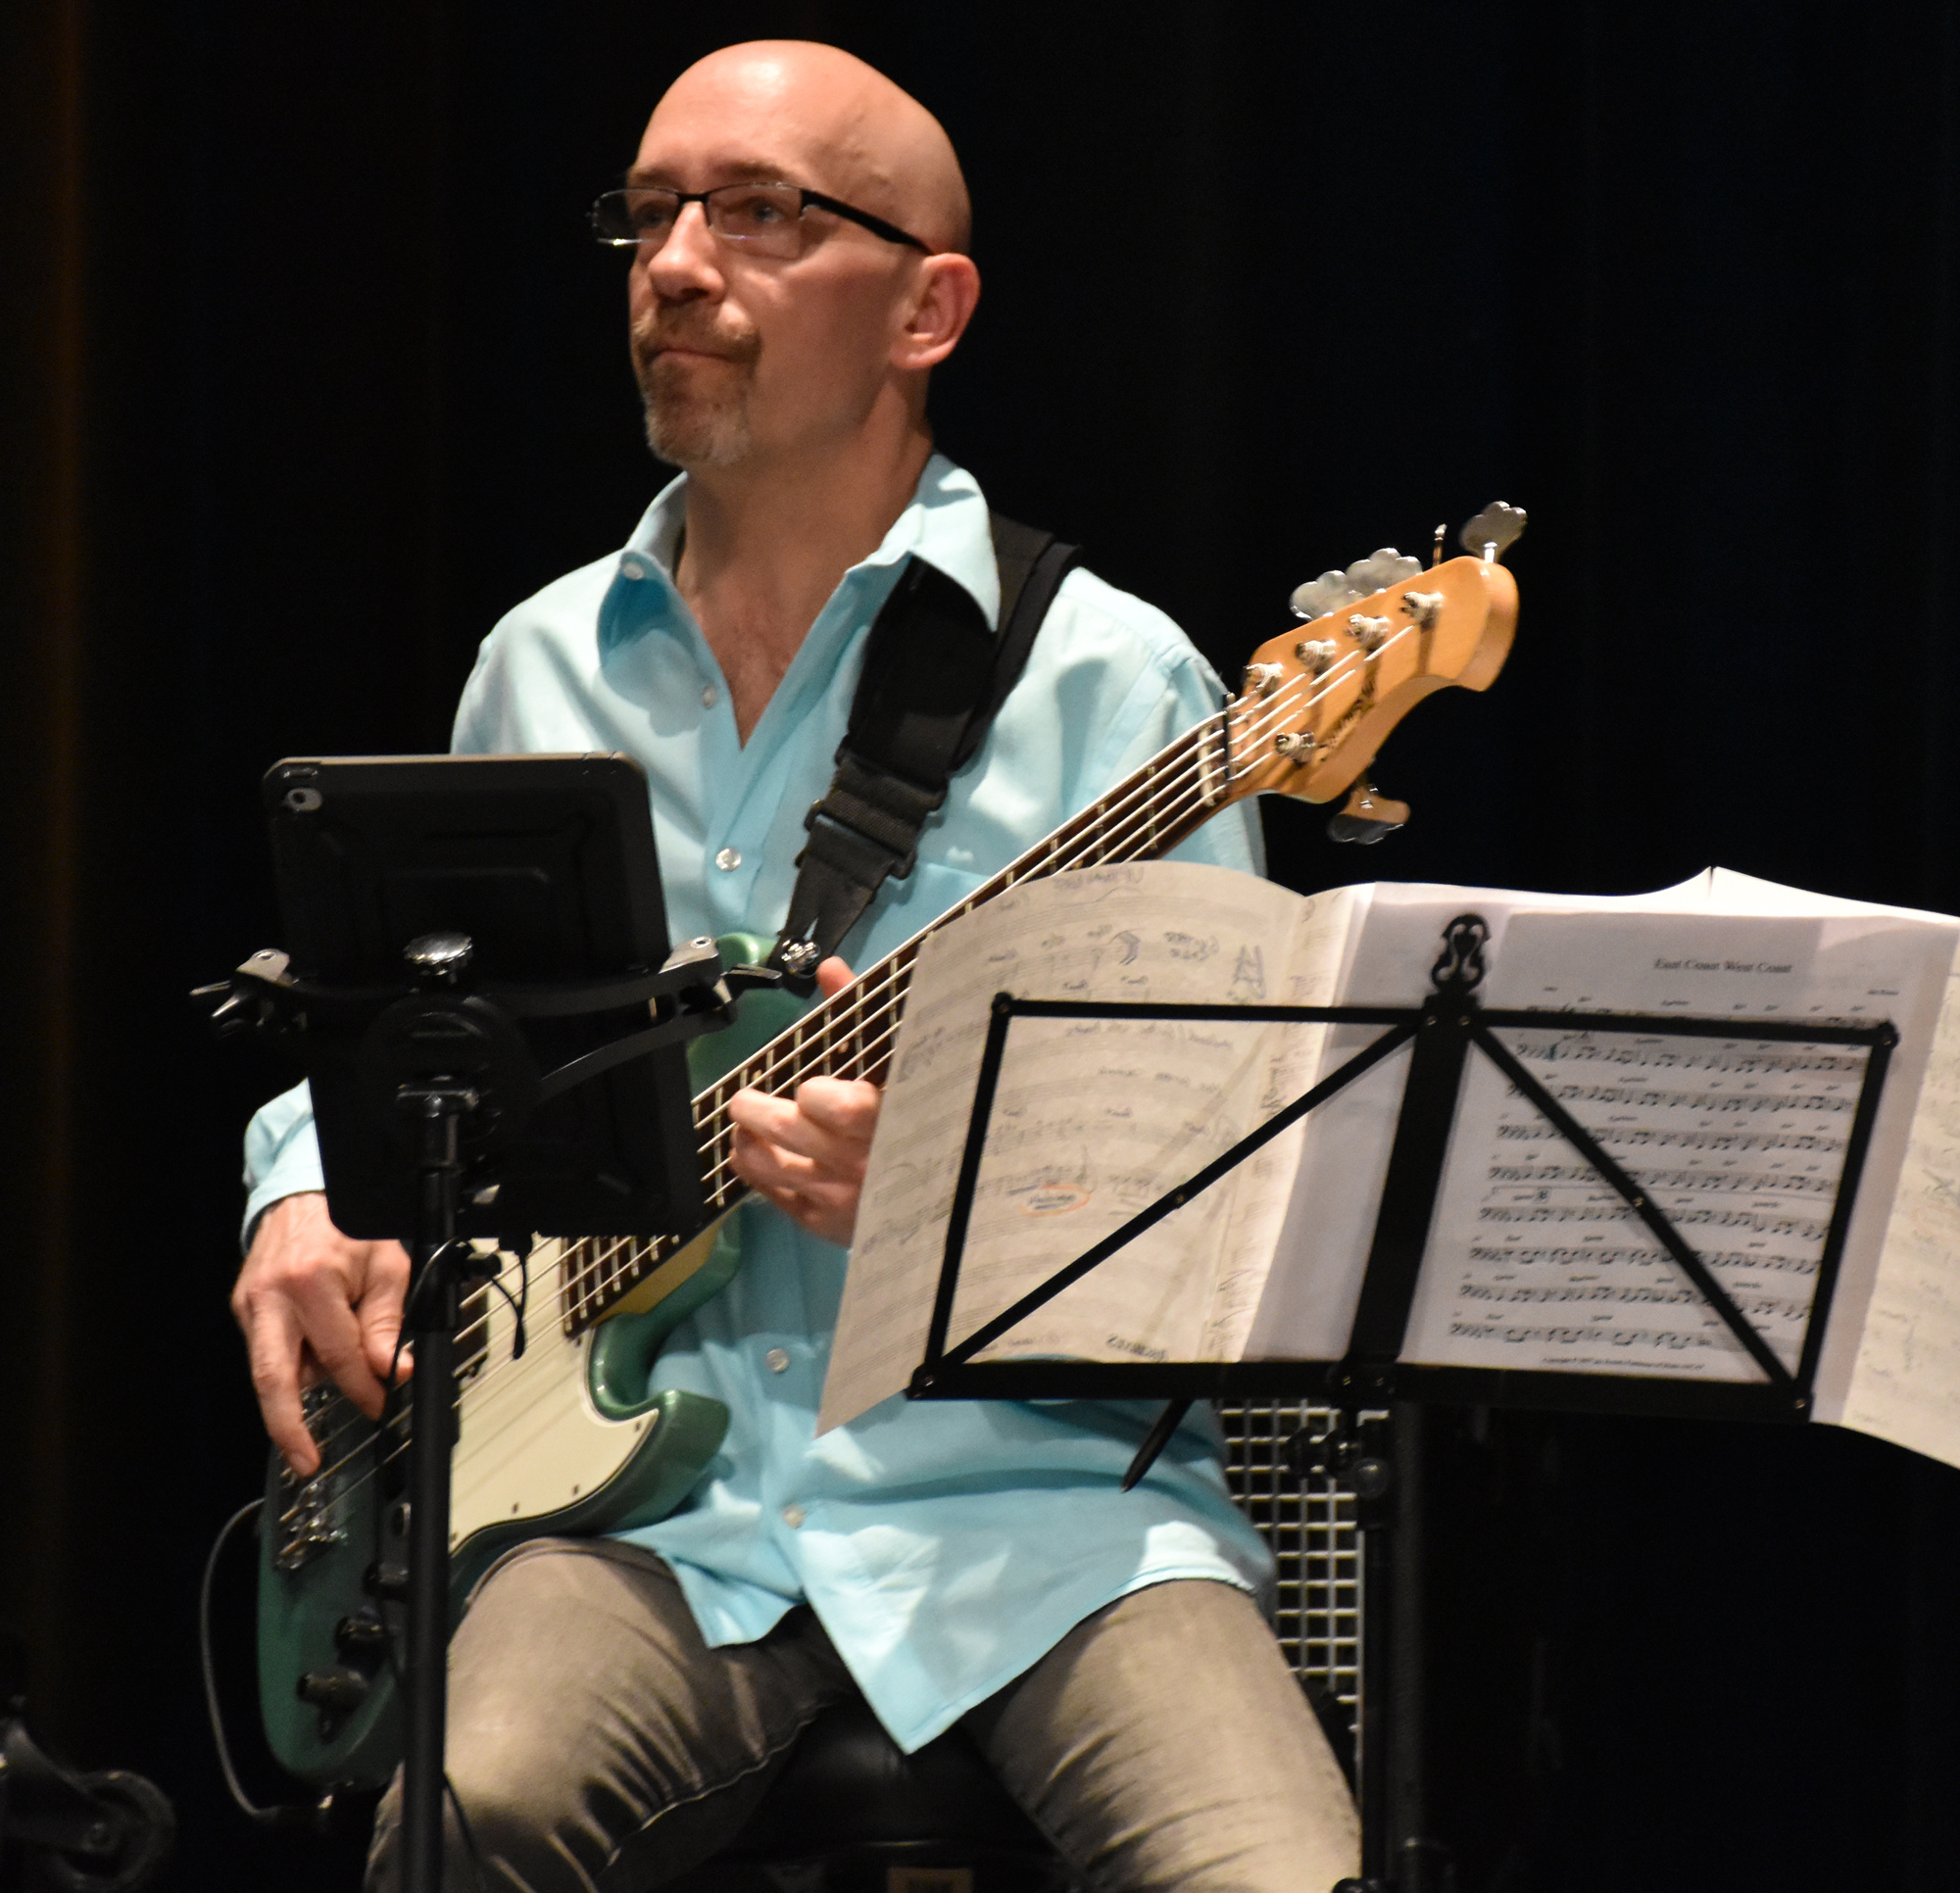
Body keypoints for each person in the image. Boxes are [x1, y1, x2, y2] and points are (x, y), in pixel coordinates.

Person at [230, 40, 1360, 1893]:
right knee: (465, 1820)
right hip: (638, 1520)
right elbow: (416, 1032)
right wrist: (300, 1187)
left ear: (929, 309)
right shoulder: (542, 666)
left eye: (758, 214)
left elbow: (1228, 1192)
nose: (677, 265)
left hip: (1043, 1517)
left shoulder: (1116, 686)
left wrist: (945, 1194)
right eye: (650, 214)